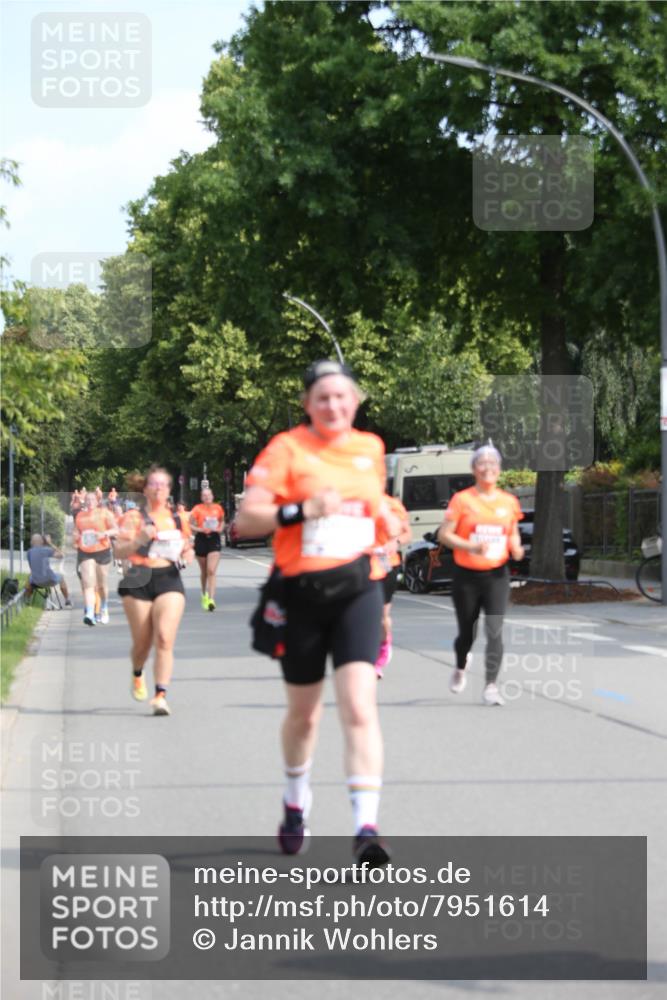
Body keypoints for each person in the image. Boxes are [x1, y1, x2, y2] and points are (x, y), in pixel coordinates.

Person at [237, 359, 400, 866]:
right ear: (307, 404)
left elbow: (373, 509)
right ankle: (295, 801)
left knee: (358, 706)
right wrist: (300, 510)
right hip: (301, 595)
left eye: (341, 396)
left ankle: (366, 829)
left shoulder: (369, 449)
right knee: (305, 716)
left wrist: (387, 527)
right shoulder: (287, 449)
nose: (333, 405)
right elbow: (246, 518)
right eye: (322, 398)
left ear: (356, 401)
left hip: (359, 590)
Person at [437, 445, 524, 706]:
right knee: (467, 633)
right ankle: (461, 665)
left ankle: (491, 686)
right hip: (467, 576)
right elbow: (444, 535)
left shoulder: (508, 501)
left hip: (497, 575)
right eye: (482, 464)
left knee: (495, 630)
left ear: (499, 470)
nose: (488, 468)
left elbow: (512, 532)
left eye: (493, 464)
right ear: (474, 469)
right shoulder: (463, 500)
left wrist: (517, 547)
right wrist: (470, 546)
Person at [114, 466, 194, 716]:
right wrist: (139, 540)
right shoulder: (132, 518)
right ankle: (137, 673)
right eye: (154, 484)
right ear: (145, 489)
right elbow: (118, 552)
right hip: (138, 577)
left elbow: (187, 547)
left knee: (164, 637)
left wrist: (187, 555)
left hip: (168, 577)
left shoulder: (179, 519)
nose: (159, 488)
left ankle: (160, 695)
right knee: (142, 643)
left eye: (164, 484)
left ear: (169, 490)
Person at [374, 495, 411, 678]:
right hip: (357, 563)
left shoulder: (392, 504)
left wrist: (395, 542)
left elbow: (406, 533)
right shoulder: (350, 498)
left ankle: (383, 647)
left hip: (385, 562)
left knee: (381, 615)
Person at [74, 494, 117, 626]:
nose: (89, 502)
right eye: (87, 500)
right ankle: (90, 613)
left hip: (102, 551)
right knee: (88, 584)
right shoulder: (80, 515)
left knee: (101, 585)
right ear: (84, 502)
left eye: (92, 499)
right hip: (85, 552)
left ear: (97, 501)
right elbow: (77, 532)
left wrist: (104, 534)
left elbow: (116, 529)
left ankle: (104, 607)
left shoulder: (105, 513)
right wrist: (75, 538)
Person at [189, 487, 225, 611]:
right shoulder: (197, 509)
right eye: (204, 495)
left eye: (209, 495)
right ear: (201, 497)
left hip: (214, 538)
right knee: (204, 571)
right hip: (201, 539)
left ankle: (211, 599)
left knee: (211, 570)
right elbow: (190, 524)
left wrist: (220, 528)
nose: (207, 497)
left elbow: (222, 521)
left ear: (212, 496)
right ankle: (204, 594)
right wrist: (200, 529)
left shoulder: (218, 508)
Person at [26, 533, 72, 607]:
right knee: (61, 577)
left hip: (36, 581)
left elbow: (32, 568)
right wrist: (50, 543)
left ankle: (27, 601)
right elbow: (62, 555)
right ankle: (67, 600)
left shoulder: (29, 552)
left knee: (29, 578)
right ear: (42, 541)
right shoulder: (47, 550)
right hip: (50, 579)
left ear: (32, 542)